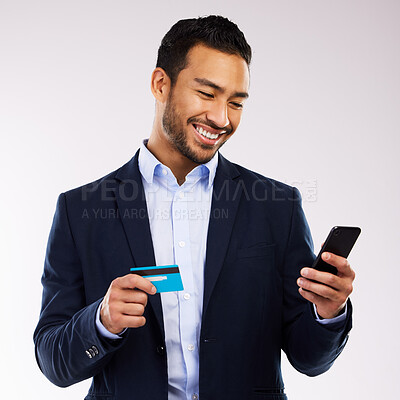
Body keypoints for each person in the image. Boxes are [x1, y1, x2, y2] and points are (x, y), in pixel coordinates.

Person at [34, 15, 355, 400]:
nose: (221, 119)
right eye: (207, 94)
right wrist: (101, 321)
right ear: (160, 84)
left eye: (236, 102)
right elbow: (53, 360)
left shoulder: (277, 207)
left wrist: (328, 312)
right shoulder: (80, 210)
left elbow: (310, 359)